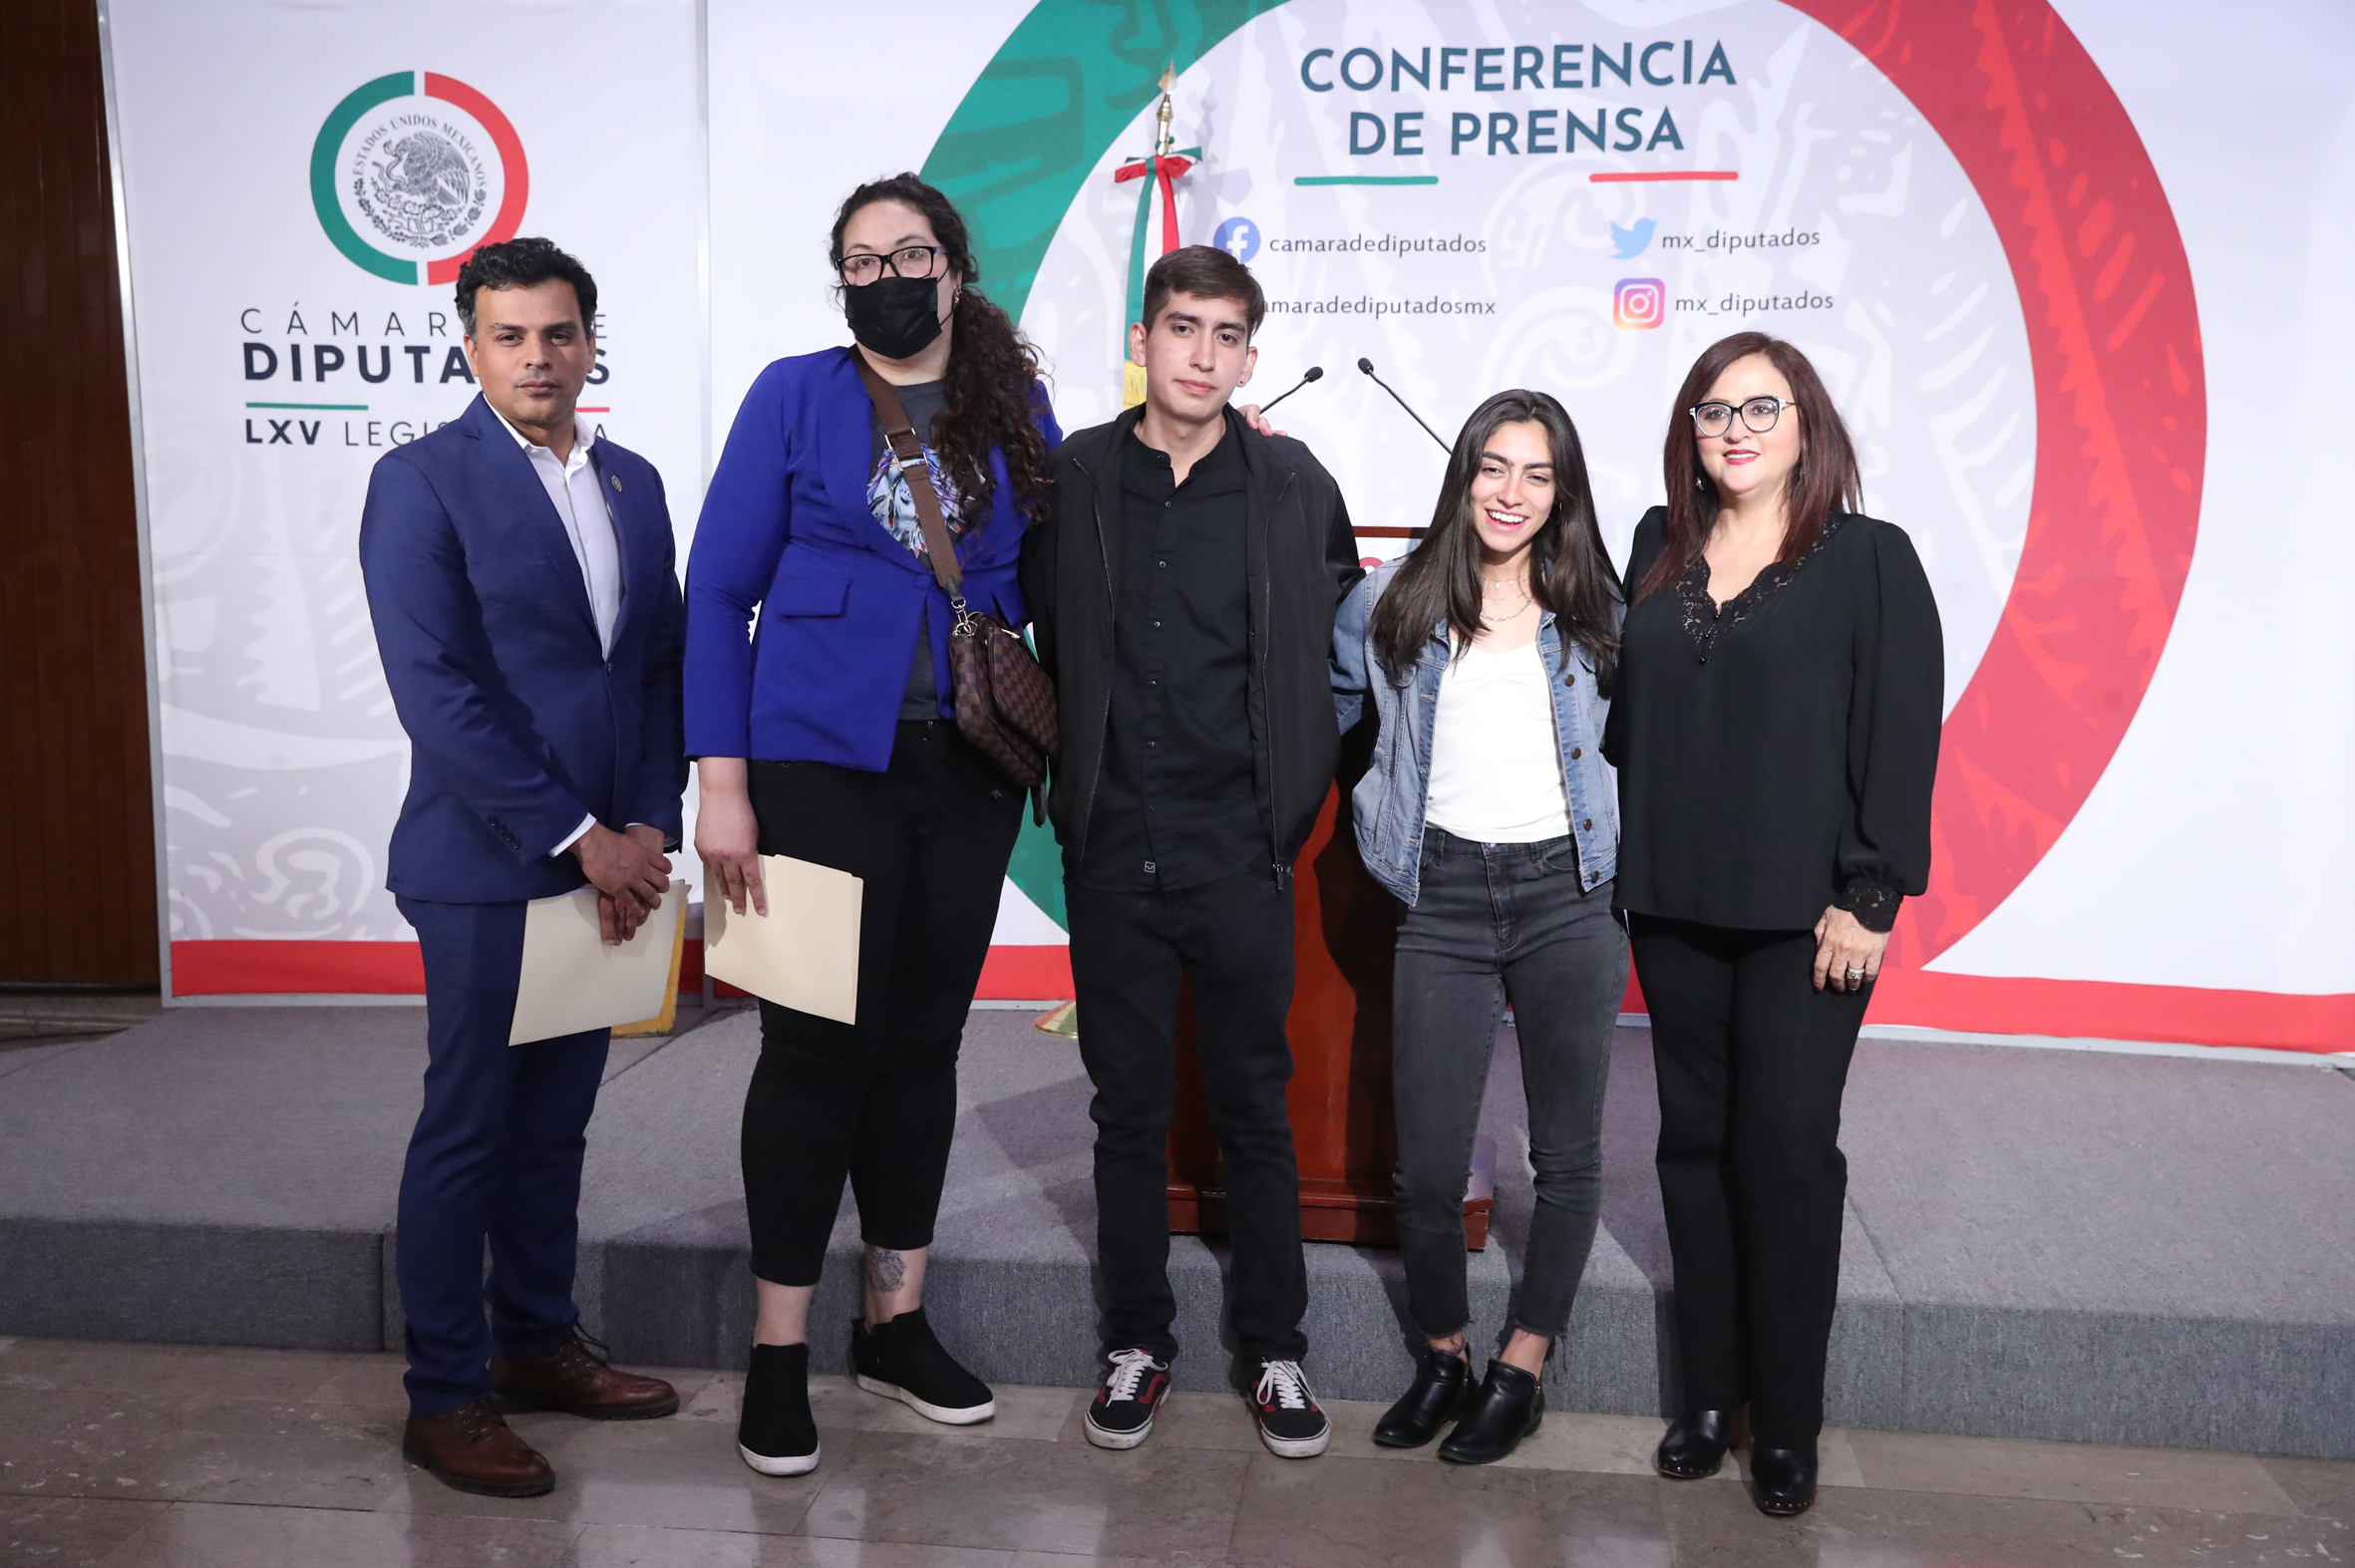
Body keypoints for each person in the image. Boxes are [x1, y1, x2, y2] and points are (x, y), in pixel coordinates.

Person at [686, 173, 1061, 1477]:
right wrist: (720, 784)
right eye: (860, 260)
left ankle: (893, 1325)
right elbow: (715, 592)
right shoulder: (793, 396)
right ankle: (778, 1350)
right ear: (839, 280)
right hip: (809, 771)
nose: (886, 276)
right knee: (810, 1052)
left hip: (968, 772)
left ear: (954, 270)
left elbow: (1054, 570)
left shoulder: (1013, 406)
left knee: (920, 1049)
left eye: (909, 254)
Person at [1020, 245, 1361, 1459]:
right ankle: (1135, 1342)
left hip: (1237, 848)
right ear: (1143, 340)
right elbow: (1040, 615)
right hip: (1113, 844)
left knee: (1254, 1104)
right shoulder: (1074, 476)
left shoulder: (1290, 482)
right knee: (1126, 1109)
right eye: (1182, 328)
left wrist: (1292, 795)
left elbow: (1338, 639)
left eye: (1226, 336)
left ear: (1249, 358)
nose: (1202, 355)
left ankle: (1274, 1350)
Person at [359, 237, 687, 1498]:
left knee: (555, 1126)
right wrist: (577, 834)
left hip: (612, 863)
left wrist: (646, 820)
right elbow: (436, 692)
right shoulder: (419, 483)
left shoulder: (633, 482)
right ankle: (445, 1395)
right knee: (470, 1128)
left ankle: (537, 1342)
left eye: (558, 333)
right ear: (470, 345)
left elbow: (654, 663)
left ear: (590, 342)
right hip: (487, 864)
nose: (537, 357)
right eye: (510, 336)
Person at [1604, 332, 1941, 1517]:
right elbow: (1618, 707)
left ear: (1807, 426)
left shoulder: (1868, 557)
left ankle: (1786, 1421)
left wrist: (1870, 895)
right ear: (1688, 431)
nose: (1734, 428)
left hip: (1809, 916)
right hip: (1672, 899)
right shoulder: (1655, 545)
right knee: (1692, 1147)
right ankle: (1710, 1398)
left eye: (1760, 406)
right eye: (1712, 409)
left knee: (1786, 1150)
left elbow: (1898, 732)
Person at [1331, 390, 1627, 1464]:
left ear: (1562, 493)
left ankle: (1522, 1366)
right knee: (1425, 1166)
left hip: (1568, 896)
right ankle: (1444, 1354)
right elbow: (1323, 719)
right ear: (1463, 474)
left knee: (1566, 1154)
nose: (1512, 492)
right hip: (1441, 895)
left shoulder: (1599, 611)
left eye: (1537, 474)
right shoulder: (1390, 600)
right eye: (1494, 467)